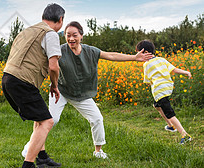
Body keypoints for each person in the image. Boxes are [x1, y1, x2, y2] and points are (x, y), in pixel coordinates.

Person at [22, 21, 153, 160]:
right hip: (61, 91)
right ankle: (29, 149)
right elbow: (46, 64)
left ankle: (98, 151)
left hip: (82, 93)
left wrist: (135, 57)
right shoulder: (59, 51)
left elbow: (111, 56)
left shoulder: (90, 51)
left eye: (74, 35)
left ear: (81, 36)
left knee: (97, 119)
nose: (71, 38)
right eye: (68, 35)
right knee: (52, 119)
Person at [2, 3, 64, 168]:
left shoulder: (27, 31)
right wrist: (54, 85)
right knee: (47, 122)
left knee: (39, 118)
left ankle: (42, 158)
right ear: (60, 20)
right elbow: (54, 67)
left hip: (8, 78)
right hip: (23, 81)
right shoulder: (50, 34)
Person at [136, 40, 193, 144]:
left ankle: (185, 135)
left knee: (169, 113)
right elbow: (174, 70)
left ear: (144, 52)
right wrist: (186, 72)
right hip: (168, 87)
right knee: (157, 106)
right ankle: (171, 126)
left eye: (139, 53)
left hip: (159, 90)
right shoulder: (162, 59)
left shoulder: (146, 64)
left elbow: (147, 81)